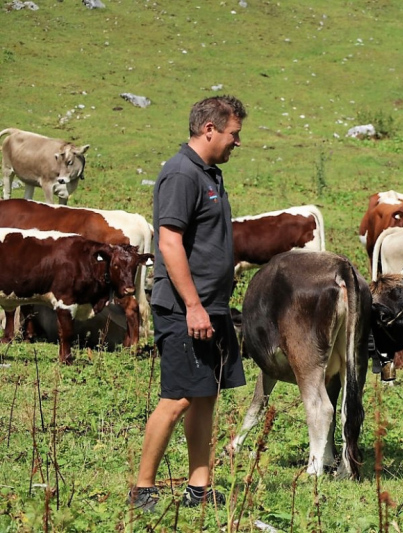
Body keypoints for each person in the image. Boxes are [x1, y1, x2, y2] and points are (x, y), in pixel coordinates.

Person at [129, 95, 248, 511]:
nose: (238, 142)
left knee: (204, 395)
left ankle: (198, 487)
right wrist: (193, 306)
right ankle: (143, 489)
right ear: (210, 129)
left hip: (210, 306)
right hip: (184, 309)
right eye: (234, 133)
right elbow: (169, 242)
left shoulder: (210, 174)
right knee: (178, 396)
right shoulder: (181, 174)